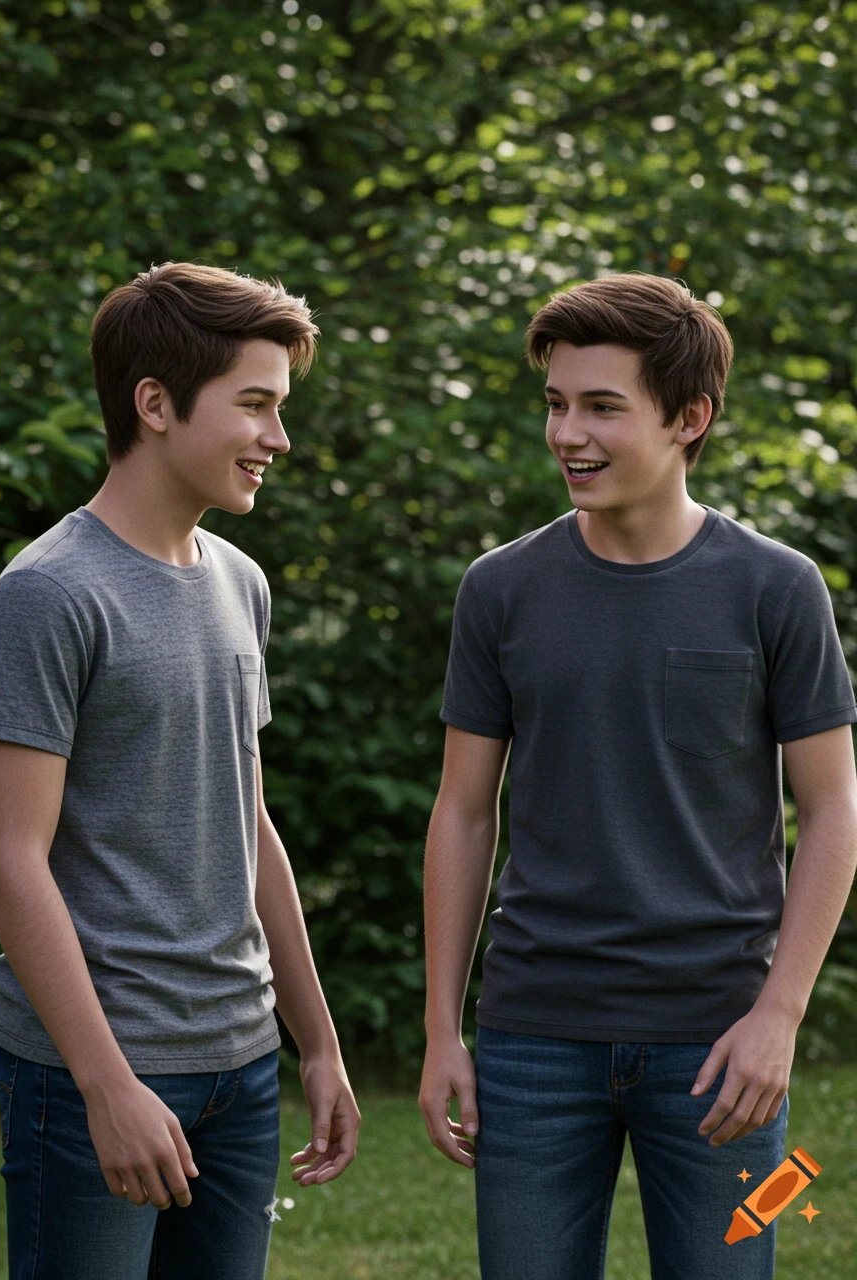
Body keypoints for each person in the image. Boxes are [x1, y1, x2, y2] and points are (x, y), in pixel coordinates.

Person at [418, 272, 857, 1280]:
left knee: (739, 1260)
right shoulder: (498, 589)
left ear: (687, 418)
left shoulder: (775, 588)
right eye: (555, 403)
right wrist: (443, 1027)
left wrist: (779, 1015)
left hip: (720, 1040)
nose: (565, 433)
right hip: (532, 1036)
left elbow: (831, 804)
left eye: (600, 407)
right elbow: (461, 811)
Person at [0, 262, 360, 1280]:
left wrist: (313, 1040)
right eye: (255, 405)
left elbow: (249, 821)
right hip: (96, 1068)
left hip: (238, 1061)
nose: (278, 437)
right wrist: (105, 1084)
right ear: (154, 404)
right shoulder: (49, 595)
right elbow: (11, 859)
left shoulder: (241, 581)